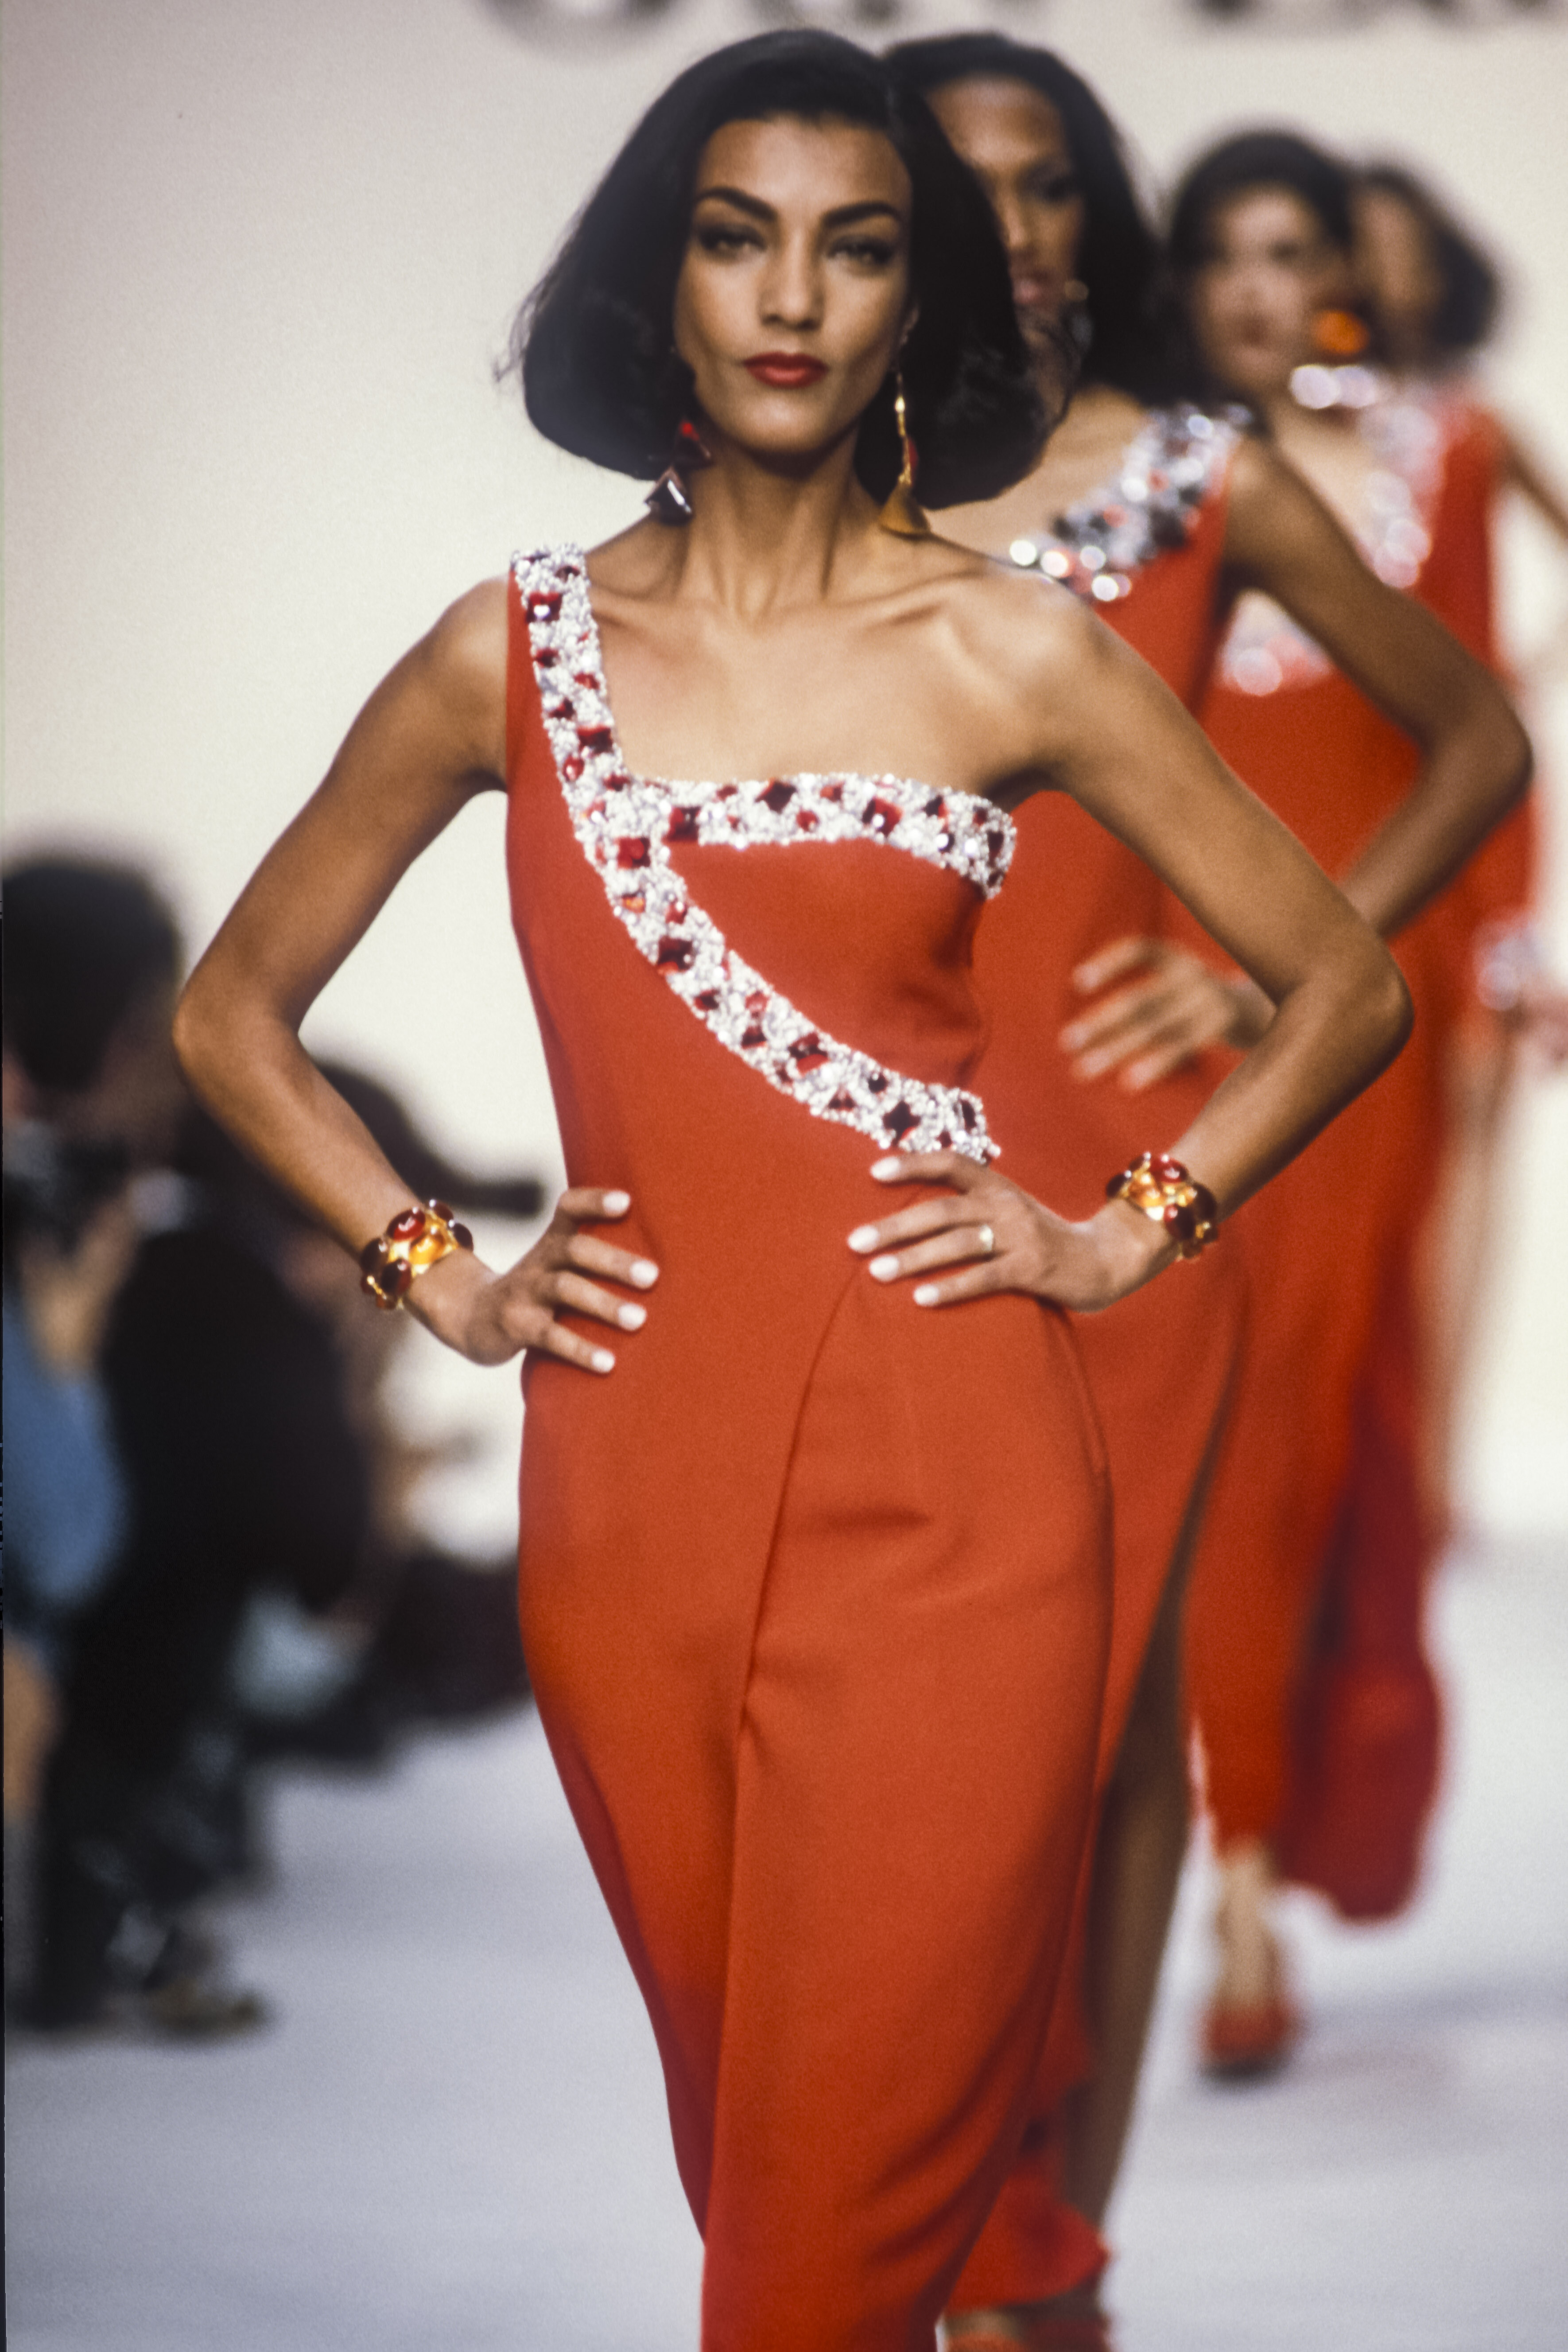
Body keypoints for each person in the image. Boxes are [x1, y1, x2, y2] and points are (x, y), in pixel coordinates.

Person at [172, 34, 1415, 2345]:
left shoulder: (1006, 641)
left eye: (856, 248)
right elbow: (230, 1013)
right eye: (738, 236)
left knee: (817, 2249)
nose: (790, 295)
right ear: (660, 278)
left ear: (913, 302)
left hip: (959, 1481)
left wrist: (1123, 1226)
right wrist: (440, 1273)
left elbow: (1343, 983)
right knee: (765, 2174)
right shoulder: (508, 650)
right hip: (627, 1486)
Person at [881, 38, 1530, 2346]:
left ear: (1100, 213)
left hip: (1128, 1160)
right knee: (914, 1730)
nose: (1014, 227)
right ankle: (919, 2211)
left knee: (1113, 1696)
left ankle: (1052, 2247)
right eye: (961, 184)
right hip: (863, 1161)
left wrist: (1276, 972)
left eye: (1053, 182)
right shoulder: (807, 485)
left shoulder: (1189, 477)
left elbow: (1477, 736)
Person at [1164, 130, 1536, 2073]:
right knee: (1187, 1438)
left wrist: (1482, 949)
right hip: (1147, 1002)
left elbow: (1478, 733)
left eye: (1297, 248)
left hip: (1351, 1006)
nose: (1269, 285)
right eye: (1224, 250)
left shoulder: (1434, 462)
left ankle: (1260, 1859)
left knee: (1314, 1422)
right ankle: (1195, 1862)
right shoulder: (1132, 477)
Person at [1353, 159, 1568, 1526]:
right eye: (1356, 249)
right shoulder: (1277, 441)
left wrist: (1516, 674)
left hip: (1470, 798)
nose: (1383, 277)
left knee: (1471, 1110)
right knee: (1351, 1109)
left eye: (1404, 251)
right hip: (1343, 794)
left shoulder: (1473, 430)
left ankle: (1430, 1460)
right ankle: (1349, 1442)